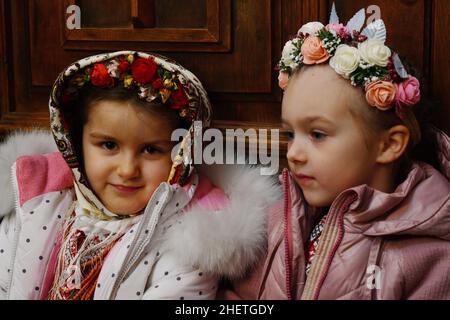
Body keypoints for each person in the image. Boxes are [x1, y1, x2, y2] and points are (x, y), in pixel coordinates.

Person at [0, 51, 280, 300]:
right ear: (75, 143)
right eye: (108, 145)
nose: (127, 170)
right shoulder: (34, 206)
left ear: (181, 154)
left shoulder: (192, 244)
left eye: (150, 150)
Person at [220, 12, 450, 299]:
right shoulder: (280, 223)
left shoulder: (428, 259)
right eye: (290, 134)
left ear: (389, 145)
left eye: (317, 134)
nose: (293, 154)